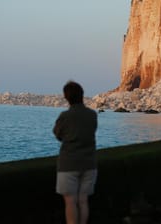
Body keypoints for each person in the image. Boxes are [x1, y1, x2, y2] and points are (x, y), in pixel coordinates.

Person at [53, 81, 98, 224]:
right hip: (89, 163)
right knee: (83, 200)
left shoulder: (65, 116)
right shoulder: (92, 115)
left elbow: (58, 134)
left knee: (70, 201)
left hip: (68, 164)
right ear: (82, 95)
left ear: (66, 97)